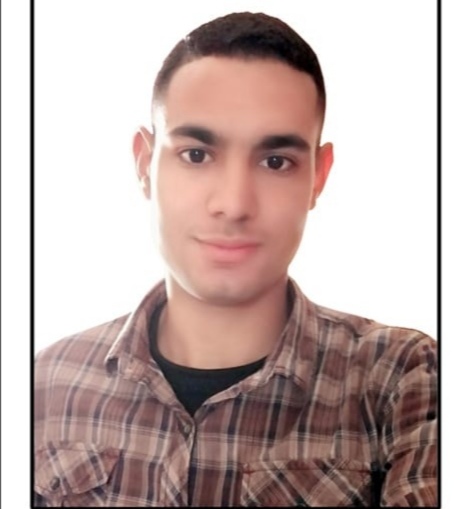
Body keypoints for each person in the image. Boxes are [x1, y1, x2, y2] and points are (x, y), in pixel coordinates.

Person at [34, 11, 437, 507]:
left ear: (318, 176)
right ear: (144, 164)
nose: (234, 203)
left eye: (275, 162)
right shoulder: (44, 385)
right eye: (197, 155)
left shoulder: (403, 379)